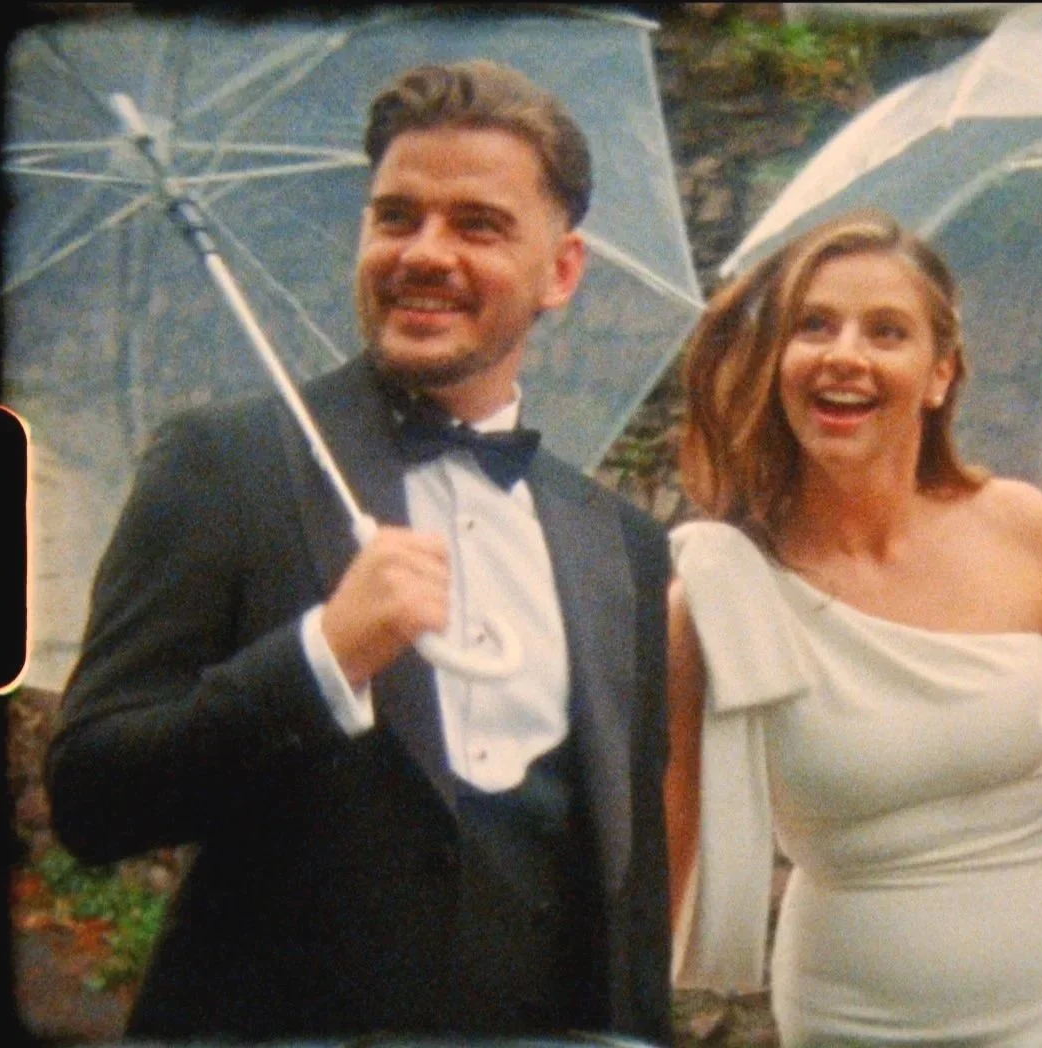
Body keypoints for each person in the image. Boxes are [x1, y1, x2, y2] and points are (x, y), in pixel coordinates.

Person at [45, 60, 672, 1045]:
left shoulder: (621, 543)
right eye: (395, 217)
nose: (424, 253)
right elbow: (92, 796)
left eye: (477, 225)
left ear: (560, 271)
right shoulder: (226, 465)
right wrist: (322, 658)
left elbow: (627, 887)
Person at [665, 209, 1042, 1046]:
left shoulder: (1021, 524)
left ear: (940, 374)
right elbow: (664, 864)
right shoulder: (719, 590)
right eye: (814, 325)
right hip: (857, 1024)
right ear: (778, 361)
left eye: (886, 331)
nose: (845, 354)